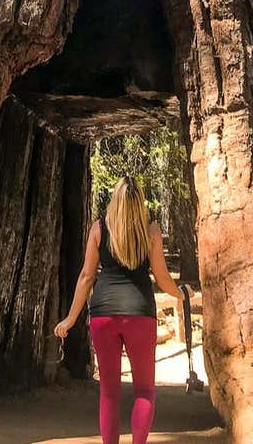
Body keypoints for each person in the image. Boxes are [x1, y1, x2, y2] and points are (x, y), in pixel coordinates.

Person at [54, 176, 192, 444]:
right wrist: (181, 293)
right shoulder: (150, 231)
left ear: (114, 200)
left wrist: (70, 319)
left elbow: (86, 276)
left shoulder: (99, 229)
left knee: (109, 393)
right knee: (144, 391)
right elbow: (163, 278)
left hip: (103, 316)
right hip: (140, 314)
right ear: (140, 203)